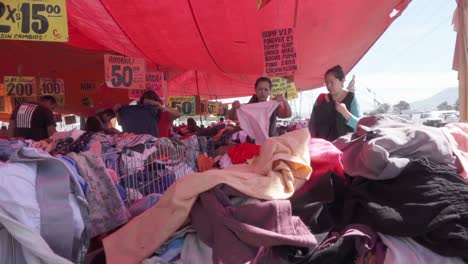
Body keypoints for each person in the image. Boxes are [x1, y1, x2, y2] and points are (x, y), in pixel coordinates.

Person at [308, 65, 362, 141]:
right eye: (327, 83)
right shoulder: (321, 99)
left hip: (345, 147)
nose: (328, 86)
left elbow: (361, 126)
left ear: (342, 81)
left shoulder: (351, 99)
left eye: (332, 82)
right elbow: (312, 124)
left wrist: (345, 113)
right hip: (323, 147)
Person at [228, 77, 292, 137]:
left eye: (266, 90)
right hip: (253, 142)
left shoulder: (273, 106)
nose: (262, 92)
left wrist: (285, 101)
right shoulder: (249, 107)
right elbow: (233, 117)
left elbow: (287, 115)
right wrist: (234, 108)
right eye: (260, 89)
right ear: (255, 90)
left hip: (271, 141)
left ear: (270, 91)